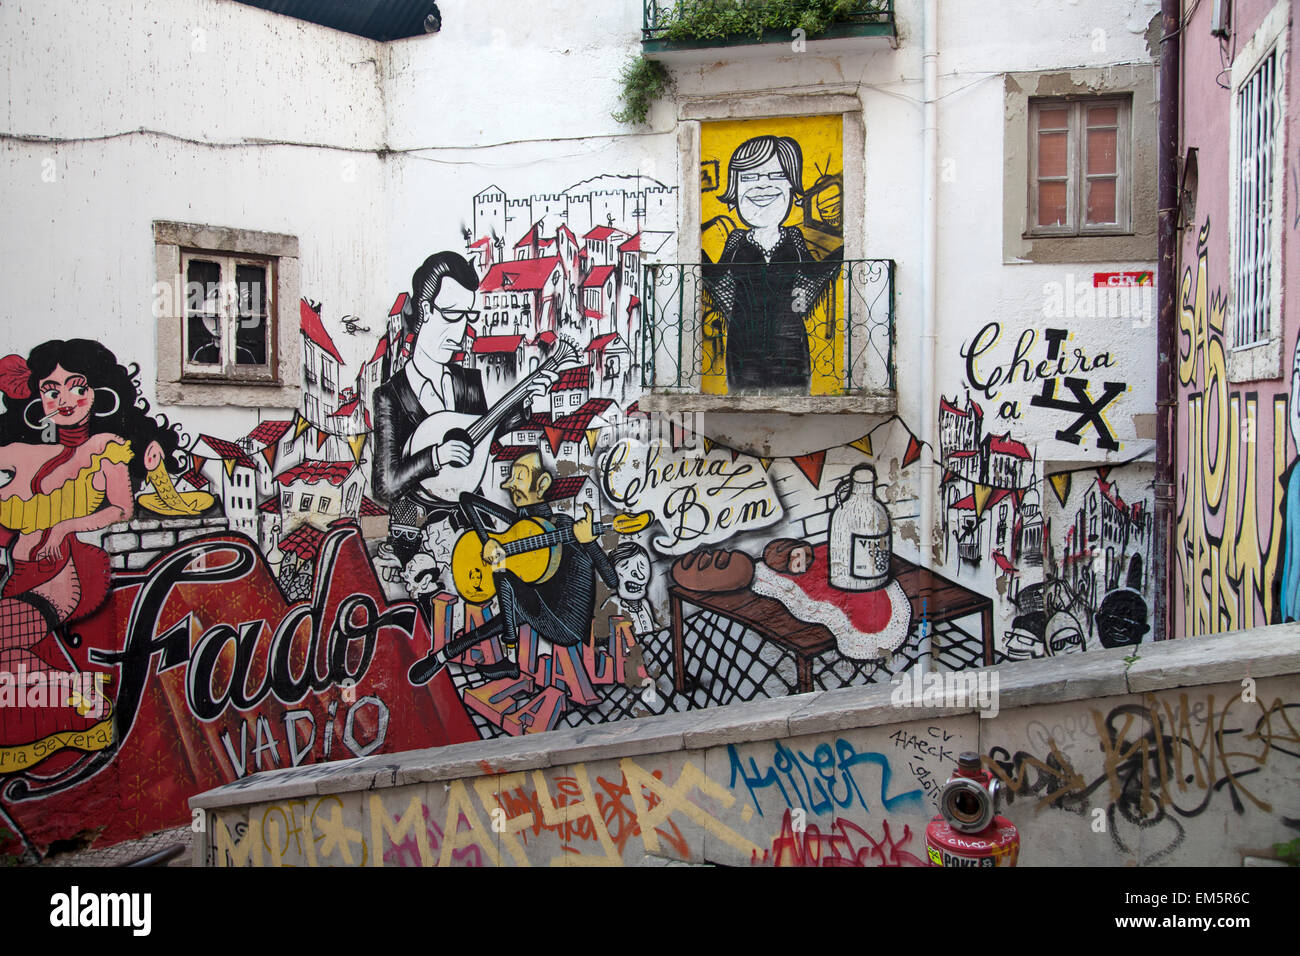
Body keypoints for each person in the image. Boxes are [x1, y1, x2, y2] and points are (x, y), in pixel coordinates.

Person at [0, 339, 182, 743]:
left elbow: (121, 509)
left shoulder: (105, 448)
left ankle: (91, 702)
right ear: (38, 398)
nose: (65, 399)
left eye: (77, 386)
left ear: (99, 392)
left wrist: (66, 526)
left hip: (63, 575)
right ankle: (82, 703)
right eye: (51, 390)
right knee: (10, 662)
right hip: (21, 576)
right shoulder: (24, 454)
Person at [407, 450, 618, 683]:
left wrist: (589, 542)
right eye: (510, 477)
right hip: (537, 604)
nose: (509, 484)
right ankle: (440, 657)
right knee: (490, 624)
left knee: (504, 575)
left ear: (543, 483)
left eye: (520, 476)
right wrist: (487, 542)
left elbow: (612, 580)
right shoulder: (521, 527)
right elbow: (467, 500)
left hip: (564, 623)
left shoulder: (565, 526)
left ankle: (510, 660)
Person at [703, 135, 841, 391]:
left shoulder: (794, 237)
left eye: (777, 176)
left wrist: (844, 250)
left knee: (793, 393)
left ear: (792, 187)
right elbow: (716, 275)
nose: (762, 187)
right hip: (742, 343)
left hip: (789, 344)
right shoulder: (736, 239)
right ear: (736, 189)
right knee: (742, 394)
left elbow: (813, 273)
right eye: (749, 178)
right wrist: (694, 248)